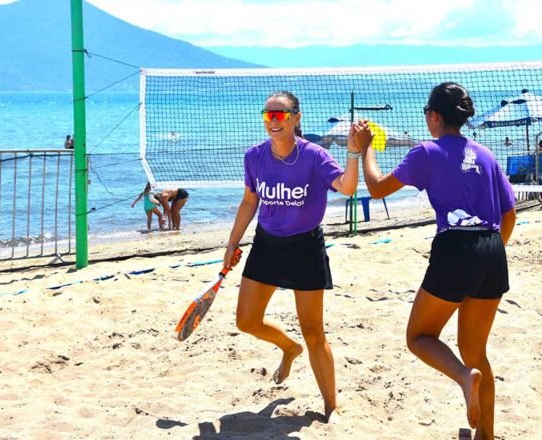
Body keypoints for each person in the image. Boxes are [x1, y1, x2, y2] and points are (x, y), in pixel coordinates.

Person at [358, 82, 517, 440]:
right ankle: (486, 436)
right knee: (476, 351)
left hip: (456, 249)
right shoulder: (486, 154)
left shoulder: (427, 151)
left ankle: (463, 377)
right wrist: (487, 255)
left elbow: (377, 187)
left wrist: (366, 147)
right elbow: (509, 215)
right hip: (493, 250)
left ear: (433, 116)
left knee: (419, 336)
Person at [221, 91, 363, 421]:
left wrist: (354, 153)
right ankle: (288, 347)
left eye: (281, 115)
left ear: (297, 118)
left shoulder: (315, 156)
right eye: (268, 115)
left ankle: (331, 407)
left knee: (313, 332)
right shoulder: (254, 156)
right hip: (267, 245)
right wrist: (232, 243)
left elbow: (347, 187)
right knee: (246, 321)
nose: (274, 121)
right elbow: (250, 201)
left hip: (305, 248)